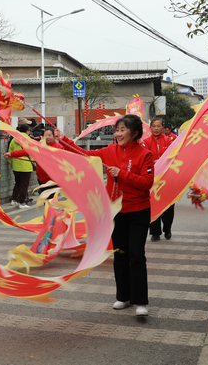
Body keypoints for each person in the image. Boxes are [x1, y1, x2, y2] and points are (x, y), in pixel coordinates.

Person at [56, 115, 154, 317]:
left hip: (138, 211)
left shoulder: (145, 154)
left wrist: (121, 173)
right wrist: (63, 139)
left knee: (136, 255)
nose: (118, 134)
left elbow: (147, 183)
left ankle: (140, 301)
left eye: (122, 130)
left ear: (135, 133)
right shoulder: (109, 151)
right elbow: (83, 153)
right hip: (116, 212)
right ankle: (123, 297)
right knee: (120, 254)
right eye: (117, 130)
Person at [4, 128, 64, 195]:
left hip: (54, 179)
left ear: (54, 136)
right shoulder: (39, 146)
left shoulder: (59, 148)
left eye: (49, 135)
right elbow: (27, 151)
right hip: (42, 178)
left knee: (52, 197)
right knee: (44, 197)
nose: (47, 137)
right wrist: (11, 154)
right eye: (45, 135)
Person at [143, 118, 173, 241]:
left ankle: (167, 229)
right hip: (152, 179)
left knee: (168, 206)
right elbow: (143, 157)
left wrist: (161, 162)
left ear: (163, 128)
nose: (156, 128)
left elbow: (172, 156)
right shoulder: (145, 142)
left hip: (167, 178)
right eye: (154, 126)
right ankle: (155, 232)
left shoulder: (169, 140)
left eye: (158, 126)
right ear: (150, 128)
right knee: (152, 205)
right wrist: (154, 162)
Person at [7, 124, 35, 208]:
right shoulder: (28, 139)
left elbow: (10, 153)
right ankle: (22, 202)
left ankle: (13, 200)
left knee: (17, 183)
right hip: (26, 165)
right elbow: (32, 152)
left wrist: (12, 163)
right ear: (27, 131)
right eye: (29, 130)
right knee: (24, 185)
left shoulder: (13, 140)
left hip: (16, 165)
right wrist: (33, 162)